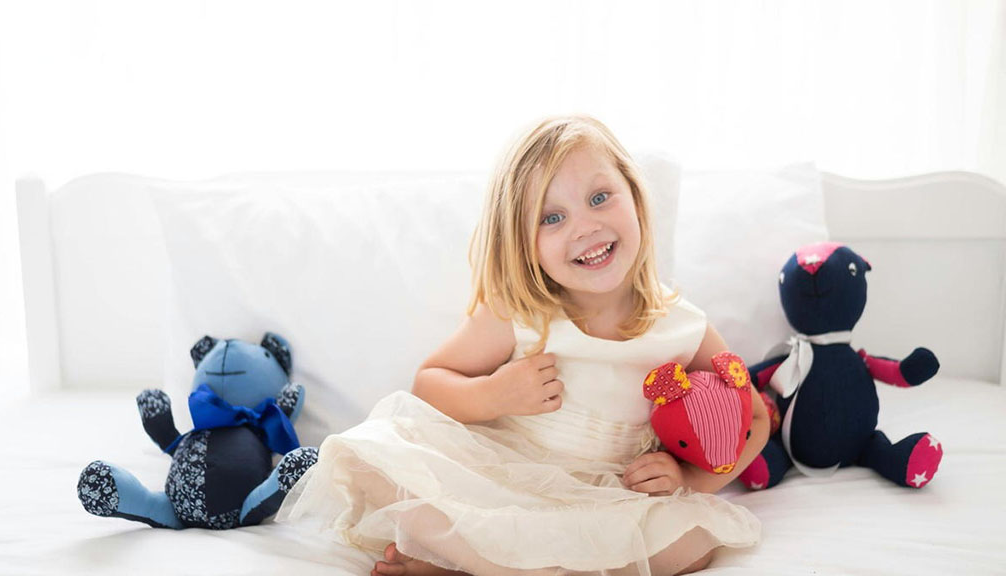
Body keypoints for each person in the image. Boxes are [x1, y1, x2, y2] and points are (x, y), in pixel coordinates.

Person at [277, 114, 769, 576]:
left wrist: (688, 481)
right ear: (522, 241)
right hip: (505, 477)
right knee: (369, 454)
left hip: (608, 498)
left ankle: (470, 564)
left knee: (691, 545)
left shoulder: (682, 328)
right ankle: (487, 558)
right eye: (551, 218)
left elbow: (753, 418)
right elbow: (429, 383)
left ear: (636, 198)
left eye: (600, 197)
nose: (584, 226)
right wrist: (492, 395)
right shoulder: (524, 313)